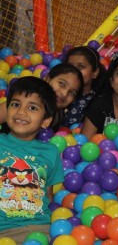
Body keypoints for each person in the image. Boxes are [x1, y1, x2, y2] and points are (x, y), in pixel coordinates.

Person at [0, 76, 64, 244]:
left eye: (33, 108)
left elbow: (48, 196)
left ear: (46, 121)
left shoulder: (50, 152)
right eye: (15, 104)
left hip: (35, 229)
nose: (21, 112)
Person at [0, 63, 84, 133]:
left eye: (72, 93)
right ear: (47, 79)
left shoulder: (59, 115)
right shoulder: (24, 101)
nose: (64, 93)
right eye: (61, 84)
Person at [62, 45, 109, 127]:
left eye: (81, 67)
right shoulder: (59, 94)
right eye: (70, 66)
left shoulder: (99, 100)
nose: (75, 71)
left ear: (95, 72)